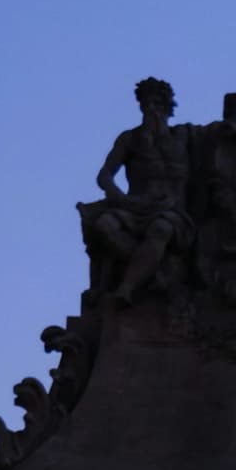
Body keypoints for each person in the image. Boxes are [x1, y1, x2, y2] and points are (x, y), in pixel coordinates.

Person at [80, 78, 191, 303]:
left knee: (161, 229)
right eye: (146, 104)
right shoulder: (130, 139)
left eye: (157, 104)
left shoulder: (185, 137)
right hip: (134, 207)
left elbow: (217, 138)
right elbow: (104, 176)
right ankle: (154, 268)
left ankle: (127, 287)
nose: (151, 110)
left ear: (168, 107)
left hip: (170, 211)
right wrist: (118, 197)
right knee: (103, 226)